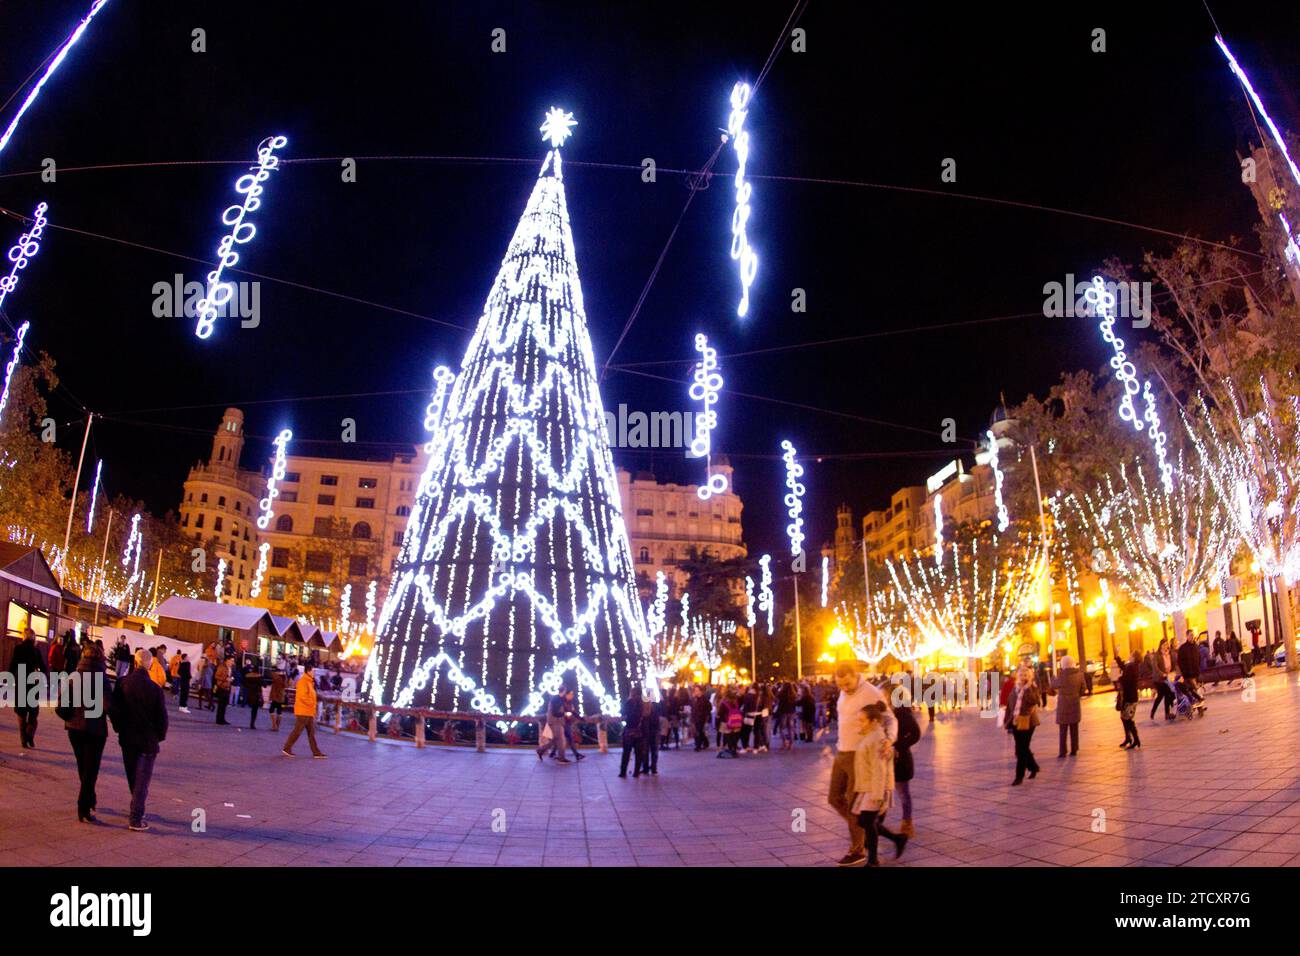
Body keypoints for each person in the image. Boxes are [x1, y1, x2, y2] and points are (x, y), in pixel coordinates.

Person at [828, 662, 897, 866]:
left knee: (853, 804)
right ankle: (866, 828)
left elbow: (890, 719)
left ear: (855, 675)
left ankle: (857, 849)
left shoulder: (870, 693)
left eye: (848, 683)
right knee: (833, 798)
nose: (845, 689)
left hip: (859, 755)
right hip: (842, 751)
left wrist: (889, 739)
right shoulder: (843, 693)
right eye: (840, 685)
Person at [109, 648, 168, 831]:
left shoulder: (122, 684)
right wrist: (158, 736)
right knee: (142, 780)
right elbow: (162, 719)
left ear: (135, 662)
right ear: (150, 664)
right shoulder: (155, 690)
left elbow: (115, 710)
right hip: (147, 740)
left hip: (127, 737)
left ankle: (137, 808)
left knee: (133, 776)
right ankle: (136, 817)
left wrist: (119, 728)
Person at [851, 701, 907, 865]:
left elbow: (879, 769)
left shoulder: (877, 739)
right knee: (864, 821)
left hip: (875, 787)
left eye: (862, 720)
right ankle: (898, 838)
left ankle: (873, 860)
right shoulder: (869, 736)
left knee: (867, 822)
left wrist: (877, 794)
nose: (859, 723)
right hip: (868, 786)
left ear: (874, 721)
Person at [64, 643, 109, 823]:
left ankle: (90, 800)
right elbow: (108, 705)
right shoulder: (101, 678)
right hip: (94, 730)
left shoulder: (74, 676)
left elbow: (62, 701)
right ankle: (84, 807)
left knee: (83, 766)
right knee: (90, 771)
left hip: (74, 728)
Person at [6, 627, 46, 749]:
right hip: (33, 683)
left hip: (21, 681)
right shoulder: (36, 650)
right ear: (33, 637)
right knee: (33, 714)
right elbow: (43, 668)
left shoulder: (18, 649)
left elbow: (12, 666)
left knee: (21, 713)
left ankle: (24, 739)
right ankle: (30, 735)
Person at [889, 684, 921, 839]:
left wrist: (898, 745)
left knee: (903, 793)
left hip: (900, 760)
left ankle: (907, 823)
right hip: (887, 760)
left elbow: (915, 733)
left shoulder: (902, 713)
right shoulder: (886, 712)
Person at [1003, 665, 1041, 786]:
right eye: (1021, 675)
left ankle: (1019, 776)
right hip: (1016, 722)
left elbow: (1035, 701)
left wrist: (1028, 688)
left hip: (1028, 722)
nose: (1023, 677)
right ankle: (1034, 767)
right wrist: (1007, 721)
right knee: (1022, 747)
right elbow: (1010, 706)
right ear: (1017, 677)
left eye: (1026, 675)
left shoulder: (1032, 688)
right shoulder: (1014, 689)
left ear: (1030, 676)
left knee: (1022, 749)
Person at [282, 661, 326, 758]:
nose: (314, 673)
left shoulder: (309, 682)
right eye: (313, 671)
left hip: (308, 712)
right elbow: (303, 697)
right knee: (298, 731)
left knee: (311, 733)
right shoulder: (303, 682)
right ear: (308, 671)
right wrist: (312, 704)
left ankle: (316, 752)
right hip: (303, 711)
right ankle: (287, 748)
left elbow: (310, 695)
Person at [1050, 654, 1084, 757]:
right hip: (1075, 704)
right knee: (1074, 728)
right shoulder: (1080, 675)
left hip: (1063, 706)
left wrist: (1053, 678)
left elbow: (1053, 685)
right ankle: (1074, 749)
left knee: (1063, 730)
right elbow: (1083, 689)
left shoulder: (1062, 676)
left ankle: (1063, 751)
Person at [1116, 652, 1142, 749]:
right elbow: (1123, 667)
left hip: (1130, 697)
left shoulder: (1132, 667)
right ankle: (1128, 738)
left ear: (1134, 657)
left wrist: (1120, 678)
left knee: (1128, 719)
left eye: (1130, 655)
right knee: (1124, 718)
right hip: (1129, 696)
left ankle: (1136, 739)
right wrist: (1117, 657)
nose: (1129, 656)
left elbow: (1127, 680)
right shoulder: (1131, 666)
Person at [537, 690, 570, 764]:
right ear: (563, 691)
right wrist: (565, 713)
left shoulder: (558, 699)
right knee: (561, 740)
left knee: (554, 741)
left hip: (556, 722)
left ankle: (540, 750)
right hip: (555, 723)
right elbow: (555, 713)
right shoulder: (556, 699)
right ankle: (561, 758)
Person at [1147, 638, 1176, 721]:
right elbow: (1155, 667)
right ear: (1160, 646)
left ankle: (1154, 712)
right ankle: (1167, 714)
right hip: (1158, 679)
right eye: (1163, 645)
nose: (1165, 646)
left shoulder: (1169, 654)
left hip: (1167, 677)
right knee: (1166, 693)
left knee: (1161, 696)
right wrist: (1162, 674)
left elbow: (1174, 664)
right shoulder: (1157, 655)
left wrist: (1173, 671)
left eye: (1166, 644)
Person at [618, 685, 644, 777]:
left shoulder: (629, 702)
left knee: (627, 752)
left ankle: (623, 772)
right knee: (638, 753)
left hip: (629, 729)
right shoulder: (642, 704)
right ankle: (636, 772)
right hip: (639, 730)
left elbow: (622, 712)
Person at [1177, 630, 1205, 709]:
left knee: (1197, 690)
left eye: (1193, 635)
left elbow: (1199, 658)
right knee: (1193, 689)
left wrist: (1198, 668)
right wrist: (1184, 671)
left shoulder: (1195, 646)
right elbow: (1180, 661)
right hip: (1188, 674)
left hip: (1196, 673)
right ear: (1187, 636)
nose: (1192, 636)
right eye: (1190, 635)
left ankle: (1199, 706)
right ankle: (1198, 706)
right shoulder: (1183, 648)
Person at [213, 656, 232, 725]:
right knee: (221, 704)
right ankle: (219, 719)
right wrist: (225, 679)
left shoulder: (230, 668)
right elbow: (216, 676)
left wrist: (230, 679)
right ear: (227, 660)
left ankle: (223, 719)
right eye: (231, 660)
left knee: (224, 704)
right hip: (222, 687)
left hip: (227, 688)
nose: (232, 662)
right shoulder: (222, 667)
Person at [244, 663, 264, 730]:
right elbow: (265, 685)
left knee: (252, 708)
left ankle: (252, 723)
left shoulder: (247, 676)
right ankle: (252, 723)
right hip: (257, 694)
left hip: (250, 693)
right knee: (255, 710)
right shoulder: (259, 677)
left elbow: (245, 684)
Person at [691, 685, 710, 751]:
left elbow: (709, 708)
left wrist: (706, 716)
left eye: (698, 690)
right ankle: (705, 742)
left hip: (701, 717)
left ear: (701, 691)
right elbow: (692, 708)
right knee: (699, 731)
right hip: (695, 717)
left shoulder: (704, 699)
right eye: (695, 691)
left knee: (698, 731)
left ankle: (698, 746)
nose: (696, 692)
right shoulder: (694, 699)